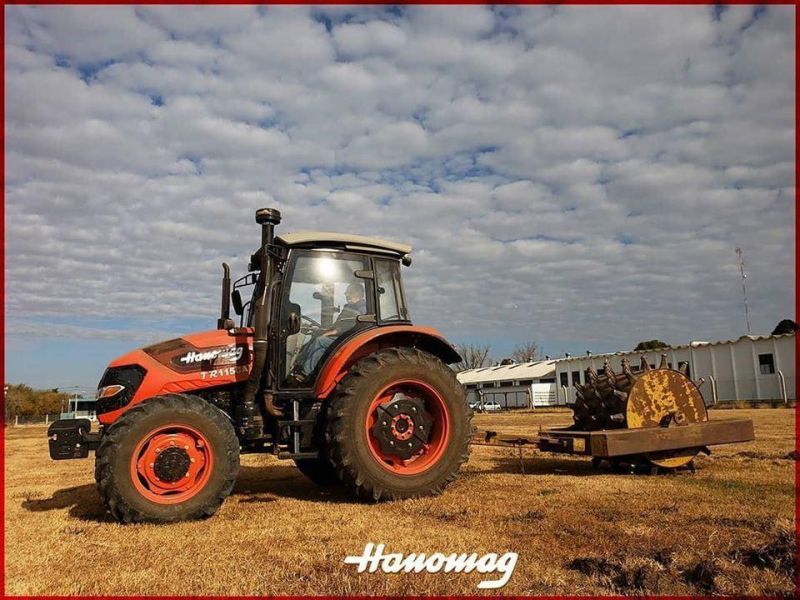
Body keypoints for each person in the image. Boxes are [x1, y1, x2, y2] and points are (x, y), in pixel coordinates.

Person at [297, 282, 366, 377]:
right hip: (342, 336)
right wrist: (323, 329)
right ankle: (302, 370)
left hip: (349, 338)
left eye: (348, 292)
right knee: (317, 342)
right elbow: (340, 323)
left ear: (356, 293)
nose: (345, 294)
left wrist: (331, 332)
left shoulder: (362, 308)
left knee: (320, 340)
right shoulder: (349, 307)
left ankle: (305, 374)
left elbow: (352, 325)